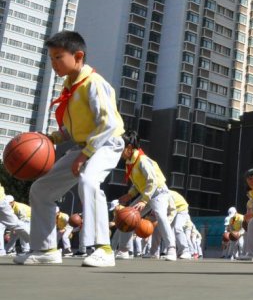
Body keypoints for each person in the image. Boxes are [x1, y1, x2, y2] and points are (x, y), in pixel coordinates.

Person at [15, 31, 125, 267]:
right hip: (85, 146)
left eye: (58, 57)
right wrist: (52, 137)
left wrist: (84, 155)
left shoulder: (94, 83)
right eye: (51, 58)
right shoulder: (69, 87)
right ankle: (45, 250)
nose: (53, 63)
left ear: (78, 56)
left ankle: (104, 249)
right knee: (41, 189)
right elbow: (73, 130)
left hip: (108, 143)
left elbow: (109, 124)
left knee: (88, 181)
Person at [117, 130, 177, 261]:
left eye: (119, 147)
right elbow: (138, 184)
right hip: (147, 194)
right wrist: (130, 195)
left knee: (160, 215)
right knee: (125, 218)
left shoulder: (142, 160)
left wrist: (144, 200)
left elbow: (152, 181)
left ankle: (171, 248)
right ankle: (124, 250)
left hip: (159, 192)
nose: (118, 151)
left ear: (129, 148)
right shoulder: (131, 163)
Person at [0, 190, 30, 255]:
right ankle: (8, 250)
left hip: (29, 220)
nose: (8, 205)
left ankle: (27, 250)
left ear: (13, 202)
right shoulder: (9, 207)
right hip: (20, 221)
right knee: (13, 235)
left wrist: (13, 229)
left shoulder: (19, 207)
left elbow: (23, 219)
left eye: (9, 203)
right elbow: (8, 221)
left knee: (21, 232)